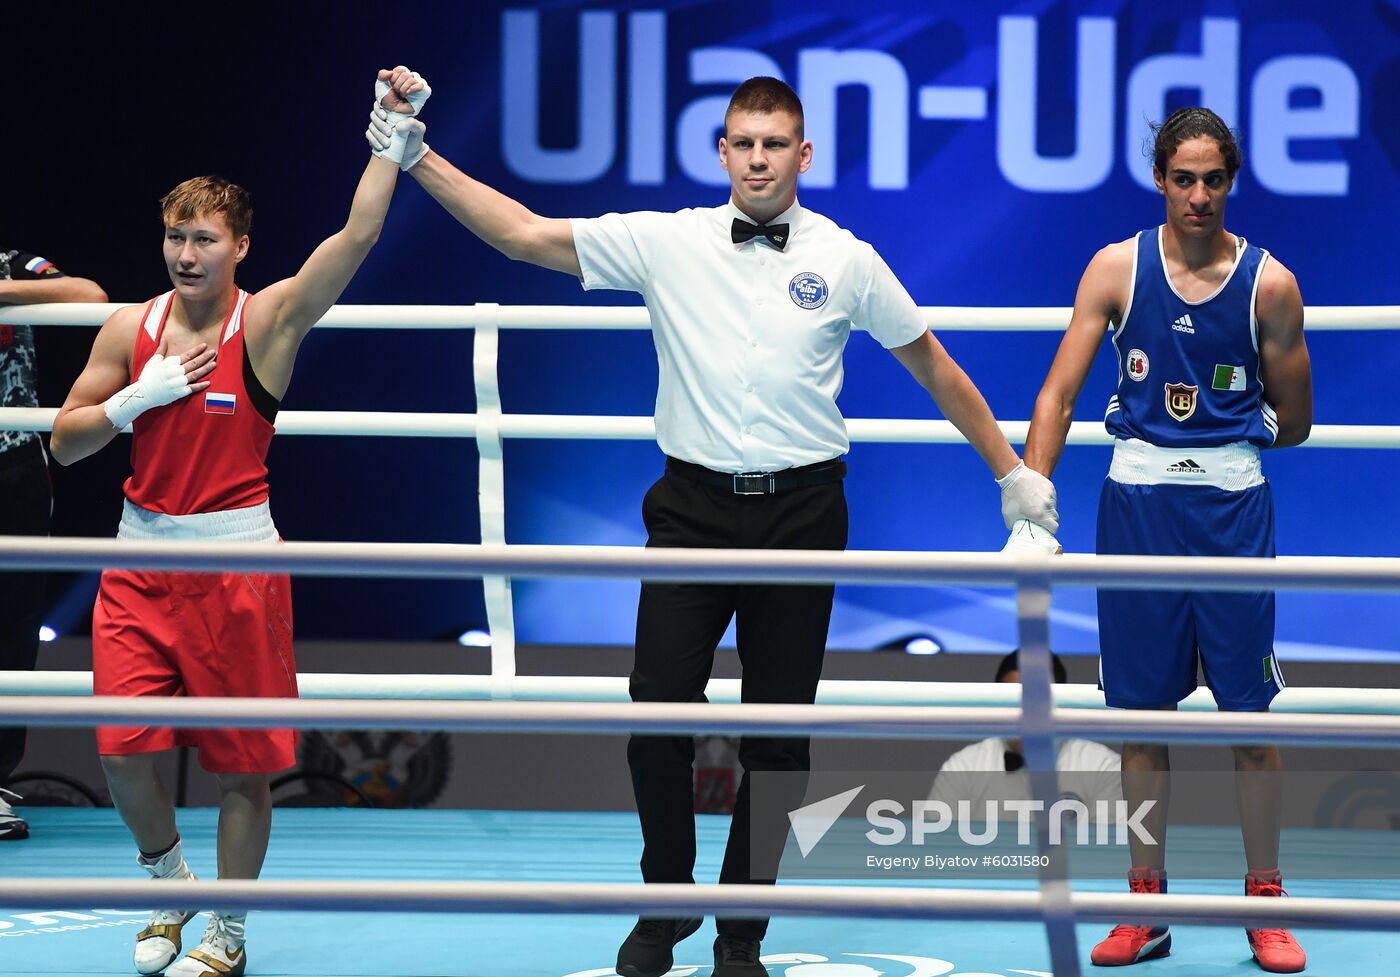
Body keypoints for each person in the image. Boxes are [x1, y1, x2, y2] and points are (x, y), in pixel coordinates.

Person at [368, 74, 1059, 977]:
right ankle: (665, 902)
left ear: (802, 155)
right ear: (722, 151)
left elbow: (931, 363)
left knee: (778, 738)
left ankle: (743, 928)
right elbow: (524, 235)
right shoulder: (670, 240)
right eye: (744, 142)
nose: (759, 158)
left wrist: (1012, 474)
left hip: (805, 513)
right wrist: (416, 156)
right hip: (691, 509)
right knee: (655, 713)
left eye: (775, 144)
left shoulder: (847, 257)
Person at [48, 68, 428, 977]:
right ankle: (166, 880)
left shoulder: (269, 323)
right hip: (138, 562)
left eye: (204, 238)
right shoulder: (126, 331)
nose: (185, 253)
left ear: (239, 246)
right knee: (122, 753)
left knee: (242, 766)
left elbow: (359, 234)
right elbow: (62, 447)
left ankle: (228, 927)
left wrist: (390, 126)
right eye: (175, 235)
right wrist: (127, 406)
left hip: (237, 567)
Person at [1023, 107, 1312, 973]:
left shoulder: (1271, 285)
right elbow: (1059, 395)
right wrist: (1031, 508)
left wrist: (1225, 435)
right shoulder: (1116, 267)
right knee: (1139, 722)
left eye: (1211, 179)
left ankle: (1265, 900)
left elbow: (1294, 421)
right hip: (1137, 508)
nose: (1197, 195)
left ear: (1231, 181)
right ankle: (1143, 906)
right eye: (1181, 178)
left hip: (1231, 509)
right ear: (1160, 178)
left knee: (1249, 719)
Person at [0, 250, 107, 840]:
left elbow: (89, 295)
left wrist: (3, 291)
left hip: (15, 467)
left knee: (12, 631)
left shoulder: (17, 261)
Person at [931, 651, 1120, 813]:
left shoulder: (1102, 767)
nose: (1024, 714)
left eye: (1034, 701)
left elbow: (1114, 851)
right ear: (996, 705)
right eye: (1012, 702)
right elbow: (932, 848)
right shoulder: (964, 766)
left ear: (1059, 704)